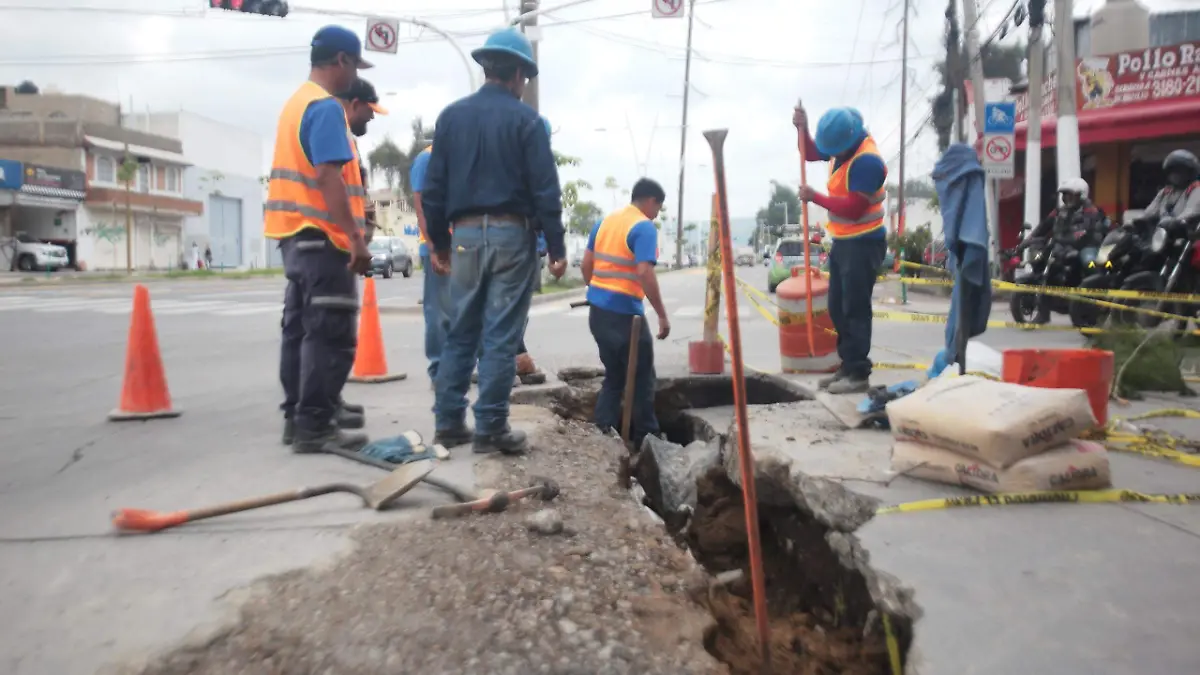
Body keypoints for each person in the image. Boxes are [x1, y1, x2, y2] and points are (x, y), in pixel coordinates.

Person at [421, 27, 566, 456]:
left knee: (460, 332)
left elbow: (434, 188)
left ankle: (449, 424)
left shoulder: (451, 117)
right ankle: (490, 428)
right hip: (510, 234)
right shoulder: (528, 122)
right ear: (520, 73)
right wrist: (556, 247)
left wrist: (439, 246)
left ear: (487, 67)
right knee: (501, 335)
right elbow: (545, 189)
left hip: (463, 235)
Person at [265, 25, 373, 454]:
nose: (354, 78)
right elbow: (328, 177)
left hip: (294, 237)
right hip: (323, 239)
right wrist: (356, 239)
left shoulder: (295, 103)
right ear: (341, 61)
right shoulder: (325, 107)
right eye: (354, 66)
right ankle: (315, 425)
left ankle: (299, 418)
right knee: (329, 333)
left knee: (300, 331)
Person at [793, 104, 888, 395]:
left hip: (864, 242)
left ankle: (858, 371)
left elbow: (855, 208)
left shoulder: (867, 162)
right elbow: (810, 152)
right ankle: (846, 365)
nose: (830, 155)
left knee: (855, 308)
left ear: (847, 142)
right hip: (844, 242)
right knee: (836, 306)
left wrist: (816, 198)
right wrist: (802, 128)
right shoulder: (843, 146)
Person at [583, 178, 670, 446]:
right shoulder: (643, 227)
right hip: (626, 318)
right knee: (643, 376)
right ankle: (647, 437)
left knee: (615, 374)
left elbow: (587, 264)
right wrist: (662, 315)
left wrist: (599, 291)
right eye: (658, 207)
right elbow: (644, 271)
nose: (657, 213)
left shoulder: (605, 222)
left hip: (598, 313)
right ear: (650, 201)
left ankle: (604, 429)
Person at [335, 77, 388, 243]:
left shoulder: (349, 141)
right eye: (370, 110)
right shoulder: (336, 137)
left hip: (347, 241)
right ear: (356, 105)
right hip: (336, 239)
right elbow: (330, 184)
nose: (371, 117)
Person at [1026, 178, 1110, 263]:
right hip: (1060, 250)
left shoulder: (1092, 212)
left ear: (1081, 195)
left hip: (1085, 250)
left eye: (1070, 194)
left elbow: (1085, 233)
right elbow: (1042, 228)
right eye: (1064, 194)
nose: (1066, 198)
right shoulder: (1059, 211)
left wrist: (1066, 236)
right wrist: (1024, 244)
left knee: (1088, 263)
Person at [1141, 149, 1200, 221]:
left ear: (1190, 172)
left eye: (1180, 170)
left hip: (1186, 231)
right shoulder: (1165, 192)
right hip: (1162, 231)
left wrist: (1176, 222)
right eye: (1172, 170)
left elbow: (1191, 211)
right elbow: (1150, 212)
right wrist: (1134, 222)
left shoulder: (1196, 189)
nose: (1175, 174)